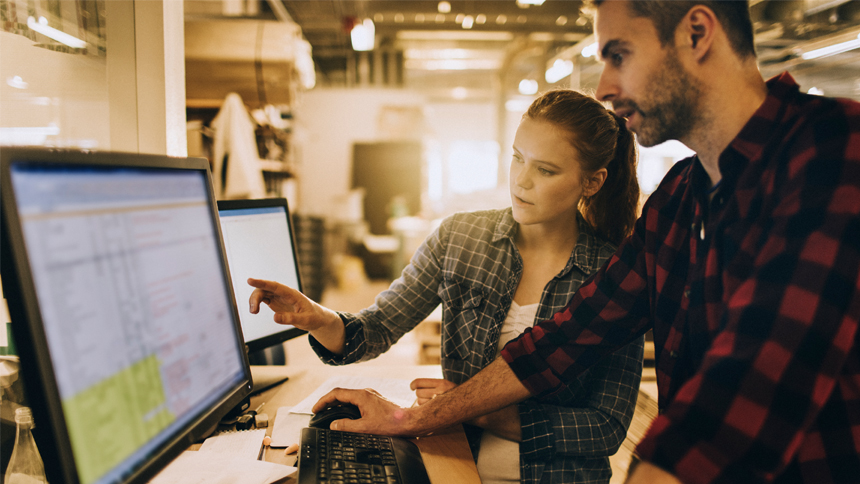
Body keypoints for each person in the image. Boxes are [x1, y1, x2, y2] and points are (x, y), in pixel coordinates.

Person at [307, 1, 860, 484]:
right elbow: (563, 340)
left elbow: (748, 390)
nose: (603, 88)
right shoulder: (681, 196)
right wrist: (412, 419)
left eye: (619, 54)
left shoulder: (833, 152)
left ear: (697, 33)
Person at [248, 89, 645, 483]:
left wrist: (468, 408)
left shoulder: (614, 275)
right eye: (517, 158)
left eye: (545, 170)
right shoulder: (461, 237)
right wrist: (319, 317)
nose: (521, 181)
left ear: (592, 182)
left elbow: (605, 427)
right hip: (454, 461)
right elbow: (375, 329)